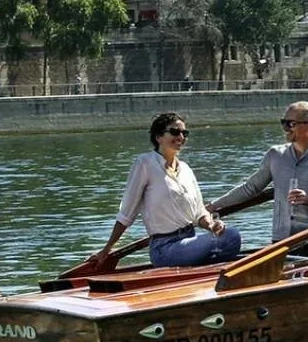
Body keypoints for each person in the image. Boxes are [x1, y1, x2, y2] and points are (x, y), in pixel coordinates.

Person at [92, 112, 242, 268]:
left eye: (185, 133)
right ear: (158, 137)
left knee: (231, 235)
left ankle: (204, 272)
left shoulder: (186, 169)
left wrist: (212, 225)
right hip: (165, 249)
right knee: (229, 238)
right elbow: (126, 214)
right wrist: (107, 248)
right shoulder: (145, 164)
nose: (181, 137)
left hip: (189, 241)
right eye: (175, 132)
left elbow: (199, 213)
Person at [208, 101, 308, 255]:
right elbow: (250, 188)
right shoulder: (275, 155)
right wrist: (213, 206)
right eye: (283, 123)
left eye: (291, 124)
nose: (285, 129)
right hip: (281, 241)